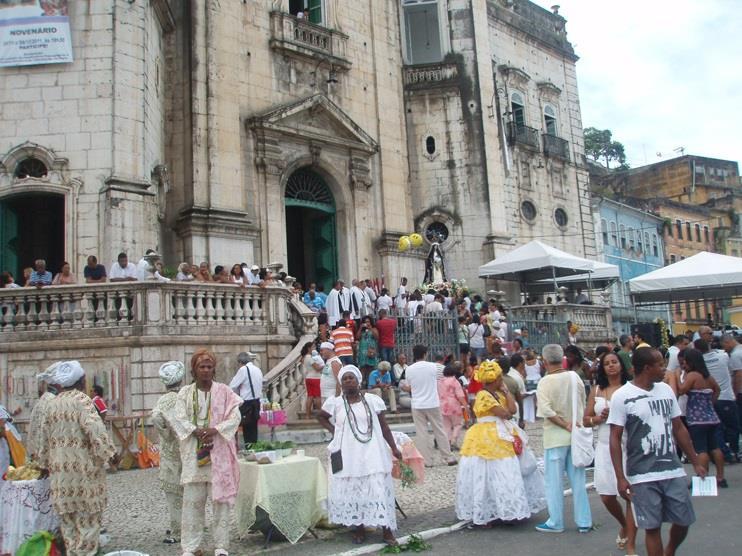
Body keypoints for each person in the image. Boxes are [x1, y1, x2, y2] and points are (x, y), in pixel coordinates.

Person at [608, 348, 705, 556]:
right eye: (661, 364)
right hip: (642, 474)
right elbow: (614, 438)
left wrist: (695, 460)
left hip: (672, 469)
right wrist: (620, 477)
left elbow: (678, 427)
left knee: (684, 519)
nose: (665, 368)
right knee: (652, 527)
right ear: (647, 368)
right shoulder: (622, 396)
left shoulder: (665, 390)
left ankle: (670, 550)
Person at [37, 360, 117, 556]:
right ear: (82, 381)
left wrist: (43, 465)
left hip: (61, 481)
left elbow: (43, 440)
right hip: (84, 477)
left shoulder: (51, 405)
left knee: (69, 532)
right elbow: (96, 430)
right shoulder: (82, 401)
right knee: (88, 529)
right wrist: (110, 454)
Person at [317, 365, 402, 546]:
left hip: (372, 451)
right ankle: (359, 528)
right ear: (341, 382)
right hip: (348, 453)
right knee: (354, 490)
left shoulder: (372, 400)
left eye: (351, 377)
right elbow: (321, 416)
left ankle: (387, 530)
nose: (348, 381)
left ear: (358, 380)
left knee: (377, 487)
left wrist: (394, 447)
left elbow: (384, 426)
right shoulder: (336, 402)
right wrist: (334, 430)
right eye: (345, 378)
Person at [456, 360, 545, 526]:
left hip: (501, 431)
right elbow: (504, 413)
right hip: (487, 435)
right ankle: (490, 510)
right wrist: (507, 410)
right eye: (499, 378)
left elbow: (512, 410)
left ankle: (505, 508)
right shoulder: (483, 395)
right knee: (492, 469)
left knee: (505, 469)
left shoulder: (498, 393)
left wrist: (506, 393)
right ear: (495, 379)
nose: (502, 381)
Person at [172, 349, 242, 556]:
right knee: (192, 504)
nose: (205, 370)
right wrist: (195, 431)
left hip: (218, 454)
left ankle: (221, 546)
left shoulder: (224, 392)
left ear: (214, 370)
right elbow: (178, 418)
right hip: (194, 456)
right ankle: (190, 547)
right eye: (201, 367)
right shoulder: (185, 393)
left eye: (209, 367)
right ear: (194, 370)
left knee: (220, 504)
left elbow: (234, 416)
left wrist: (215, 430)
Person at [583, 351, 637, 554]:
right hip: (605, 445)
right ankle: (624, 523)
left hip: (627, 443)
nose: (611, 366)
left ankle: (631, 543)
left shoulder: (630, 389)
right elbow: (585, 419)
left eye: (614, 362)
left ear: (621, 365)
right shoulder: (597, 390)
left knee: (630, 495)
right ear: (603, 368)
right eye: (607, 363)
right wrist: (598, 419)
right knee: (606, 495)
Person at [535, 344, 592, 534]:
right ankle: (584, 521)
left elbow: (546, 410)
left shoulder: (545, 382)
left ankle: (556, 521)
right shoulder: (574, 377)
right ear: (563, 359)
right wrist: (572, 422)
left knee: (554, 482)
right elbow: (582, 401)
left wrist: (563, 423)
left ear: (544, 361)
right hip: (575, 434)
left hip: (555, 436)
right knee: (578, 479)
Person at [676, 348, 726, 487]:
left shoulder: (693, 375)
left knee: (701, 449)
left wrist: (677, 376)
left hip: (697, 419)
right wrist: (710, 402)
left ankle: (702, 478)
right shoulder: (707, 377)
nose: (684, 365)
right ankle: (720, 477)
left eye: (685, 362)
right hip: (711, 416)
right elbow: (717, 390)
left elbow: (681, 390)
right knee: (715, 447)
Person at [403, 344, 457, 466]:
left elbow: (409, 386)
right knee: (439, 429)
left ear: (413, 354)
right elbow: (442, 377)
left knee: (421, 432)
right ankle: (448, 457)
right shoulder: (433, 367)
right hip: (432, 402)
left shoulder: (409, 369)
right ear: (425, 354)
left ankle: (427, 460)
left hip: (417, 403)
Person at [151, 361, 186, 545]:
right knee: (190, 491)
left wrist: (165, 433)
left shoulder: (163, 401)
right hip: (188, 451)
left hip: (171, 452)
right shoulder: (187, 396)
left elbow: (156, 418)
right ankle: (194, 524)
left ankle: (178, 530)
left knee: (174, 492)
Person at [695, 338, 739, 462]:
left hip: (712, 398)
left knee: (717, 428)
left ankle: (725, 452)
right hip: (727, 397)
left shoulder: (700, 362)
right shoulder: (723, 356)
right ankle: (734, 451)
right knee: (733, 427)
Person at [26, 363, 60, 461]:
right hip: (49, 461)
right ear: (59, 383)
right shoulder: (54, 402)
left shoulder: (44, 399)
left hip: (39, 458)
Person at [229, 351, 263, 446]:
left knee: (245, 427)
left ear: (240, 362)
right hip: (257, 402)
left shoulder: (243, 369)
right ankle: (253, 448)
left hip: (247, 403)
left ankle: (246, 448)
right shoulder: (257, 369)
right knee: (253, 427)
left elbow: (232, 385)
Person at [721, 334, 742, 457]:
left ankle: (736, 450)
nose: (724, 349)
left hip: (740, 392)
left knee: (737, 421)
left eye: (724, 346)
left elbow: (738, 375)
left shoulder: (735, 355)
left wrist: (735, 392)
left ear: (728, 342)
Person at [438, 365, 468, 448]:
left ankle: (448, 442)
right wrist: (465, 406)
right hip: (454, 406)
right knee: (457, 424)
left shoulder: (440, 382)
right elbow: (460, 396)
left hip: (442, 406)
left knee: (446, 426)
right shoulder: (455, 381)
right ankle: (454, 440)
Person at [302, 342, 324, 417]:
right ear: (309, 348)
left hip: (308, 378)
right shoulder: (310, 358)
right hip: (315, 378)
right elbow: (317, 368)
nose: (314, 349)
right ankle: (320, 414)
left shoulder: (305, 357)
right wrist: (323, 366)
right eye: (313, 347)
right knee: (318, 396)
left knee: (310, 396)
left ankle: (307, 415)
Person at [356, 315, 379, 380]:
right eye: (365, 322)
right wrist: (360, 328)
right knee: (362, 367)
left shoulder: (374, 329)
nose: (367, 323)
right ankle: (362, 383)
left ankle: (370, 382)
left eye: (368, 322)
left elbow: (377, 337)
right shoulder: (362, 330)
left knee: (371, 367)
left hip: (371, 350)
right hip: (363, 351)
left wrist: (370, 328)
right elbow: (357, 337)